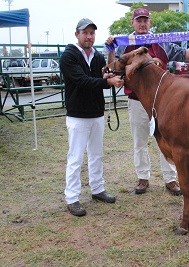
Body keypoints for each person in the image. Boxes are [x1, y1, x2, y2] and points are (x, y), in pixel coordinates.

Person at [105, 8, 189, 196]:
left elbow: (186, 54)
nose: (142, 23)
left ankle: (170, 179)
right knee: (140, 141)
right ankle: (142, 177)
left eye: (145, 20)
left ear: (150, 22)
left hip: (162, 102)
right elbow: (113, 65)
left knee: (167, 140)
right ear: (132, 23)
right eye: (138, 20)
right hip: (136, 100)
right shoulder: (124, 43)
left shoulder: (161, 41)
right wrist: (110, 48)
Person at [60, 18, 124, 217]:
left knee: (96, 155)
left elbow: (103, 74)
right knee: (76, 157)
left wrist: (109, 71)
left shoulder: (96, 56)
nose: (89, 37)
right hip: (78, 115)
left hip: (96, 113)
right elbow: (82, 81)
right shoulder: (69, 56)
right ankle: (72, 197)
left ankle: (97, 189)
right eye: (85, 33)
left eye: (92, 33)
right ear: (77, 34)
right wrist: (108, 82)